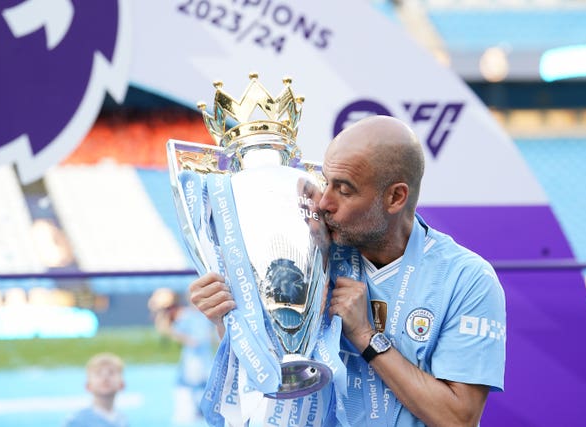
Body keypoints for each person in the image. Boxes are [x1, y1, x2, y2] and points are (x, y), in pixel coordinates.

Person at [189, 115, 506, 426]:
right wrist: (229, 319)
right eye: (326, 182)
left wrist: (366, 337)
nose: (324, 202)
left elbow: (459, 418)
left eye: (344, 189)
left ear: (395, 197)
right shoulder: (312, 255)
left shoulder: (467, 279)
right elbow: (272, 377)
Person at [148, 288, 215, 425]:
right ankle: (188, 411)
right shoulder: (186, 315)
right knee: (189, 381)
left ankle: (202, 408)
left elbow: (212, 332)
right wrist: (188, 339)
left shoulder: (207, 316)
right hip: (192, 356)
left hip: (205, 355)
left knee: (206, 381)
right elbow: (171, 331)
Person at [63, 352, 129, 427]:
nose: (105, 377)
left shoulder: (122, 420)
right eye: (98, 373)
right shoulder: (76, 421)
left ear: (122, 385)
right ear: (88, 386)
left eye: (111, 373)